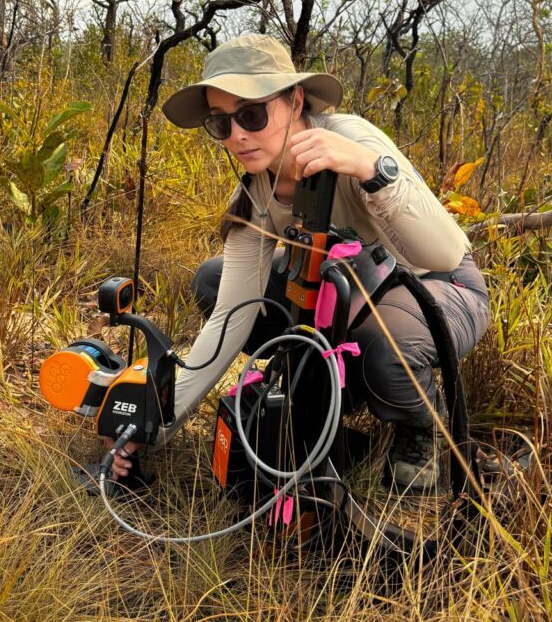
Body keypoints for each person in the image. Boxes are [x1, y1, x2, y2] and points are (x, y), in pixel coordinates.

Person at [110, 33, 490, 493]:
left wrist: (372, 171)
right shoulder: (255, 190)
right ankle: (324, 388)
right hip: (346, 289)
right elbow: (231, 319)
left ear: (294, 100)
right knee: (214, 281)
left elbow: (444, 253)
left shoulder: (349, 139)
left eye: (251, 114)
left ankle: (419, 424)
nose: (238, 136)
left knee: (387, 349)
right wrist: (150, 428)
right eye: (220, 124)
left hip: (434, 287)